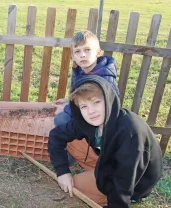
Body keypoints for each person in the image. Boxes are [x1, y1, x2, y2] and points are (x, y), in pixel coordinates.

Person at [48, 75, 163, 207]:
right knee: (71, 143)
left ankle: (111, 189)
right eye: (84, 106)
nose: (91, 111)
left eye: (96, 102)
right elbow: (56, 135)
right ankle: (97, 169)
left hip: (136, 180)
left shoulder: (129, 132)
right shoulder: (86, 121)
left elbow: (124, 181)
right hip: (110, 160)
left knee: (75, 187)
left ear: (108, 100)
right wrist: (62, 171)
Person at [53, 30, 120, 166]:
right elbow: (83, 98)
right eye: (77, 51)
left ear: (98, 53)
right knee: (63, 119)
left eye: (87, 50)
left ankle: (82, 154)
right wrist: (69, 101)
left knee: (61, 119)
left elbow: (102, 109)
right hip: (88, 115)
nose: (82, 55)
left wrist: (66, 109)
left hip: (101, 124)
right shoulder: (80, 71)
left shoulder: (103, 79)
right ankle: (75, 150)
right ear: (72, 56)